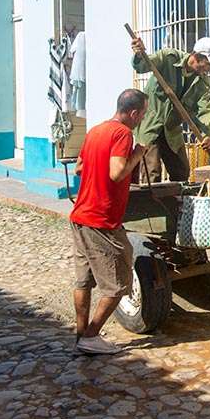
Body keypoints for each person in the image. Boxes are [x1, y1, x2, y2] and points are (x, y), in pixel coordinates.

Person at [69, 89, 148, 355]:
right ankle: (91, 336)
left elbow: (80, 167)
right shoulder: (123, 134)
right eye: (143, 115)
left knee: (84, 280)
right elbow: (116, 172)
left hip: (80, 215)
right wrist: (138, 154)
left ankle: (81, 335)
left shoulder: (96, 131)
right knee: (118, 282)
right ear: (134, 113)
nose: (142, 120)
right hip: (101, 219)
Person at [130, 35, 210, 182]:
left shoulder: (202, 83)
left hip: (171, 129)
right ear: (197, 57)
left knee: (182, 171)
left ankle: (175, 204)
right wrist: (139, 53)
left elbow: (205, 110)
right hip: (150, 125)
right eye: (207, 65)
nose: (209, 70)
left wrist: (207, 135)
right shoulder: (168, 58)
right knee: (151, 172)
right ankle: (150, 204)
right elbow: (142, 66)